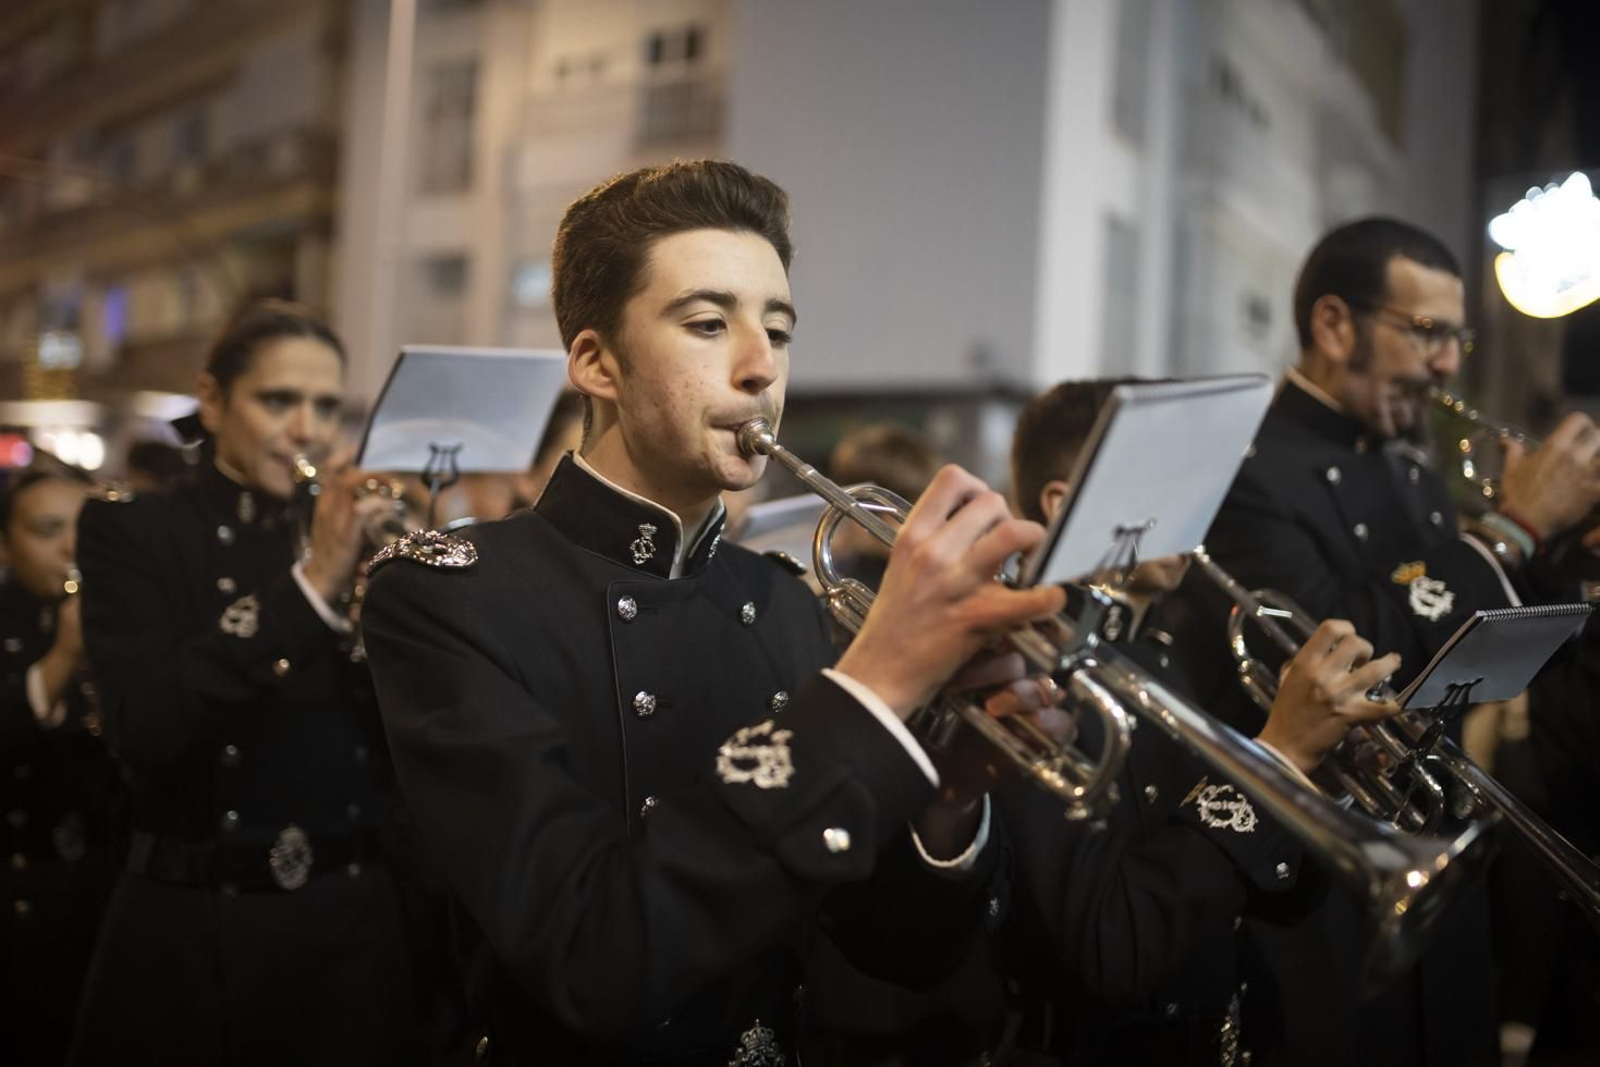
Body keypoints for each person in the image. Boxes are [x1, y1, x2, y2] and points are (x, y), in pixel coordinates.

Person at [360, 159, 1066, 1066]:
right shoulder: (447, 592)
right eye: (707, 323)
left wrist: (951, 792)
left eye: (778, 329)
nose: (761, 364)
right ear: (596, 362)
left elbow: (902, 950)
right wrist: (876, 679)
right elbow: (591, 957)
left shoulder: (780, 600)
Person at [1182, 217, 1600, 1067]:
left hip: (1437, 863)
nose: (1449, 362)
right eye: (1427, 332)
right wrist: (1513, 527)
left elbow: (1480, 654)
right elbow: (1344, 661)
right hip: (1320, 895)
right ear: (1336, 325)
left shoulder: (1409, 467)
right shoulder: (1247, 470)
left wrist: (1568, 553)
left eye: (1455, 335)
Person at [993, 377, 1400, 1066]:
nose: (1196, 505)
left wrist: (1312, 782)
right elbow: (1109, 947)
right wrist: (1274, 760)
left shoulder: (1162, 651)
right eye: (1164, 477)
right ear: (1064, 503)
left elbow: (1258, 894)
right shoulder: (1026, 669)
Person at [70, 301, 432, 1066]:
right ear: (212, 400)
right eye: (279, 401)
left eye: (327, 406)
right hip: (199, 924)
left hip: (353, 921)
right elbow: (143, 724)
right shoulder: (134, 529)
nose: (308, 428)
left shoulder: (348, 523)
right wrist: (313, 585)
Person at [0, 460, 119, 1067]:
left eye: (85, 529)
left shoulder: (131, 615)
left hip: (109, 893)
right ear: (6, 542)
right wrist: (67, 652)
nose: (71, 548)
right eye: (48, 530)